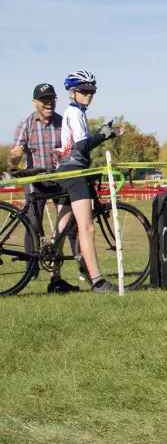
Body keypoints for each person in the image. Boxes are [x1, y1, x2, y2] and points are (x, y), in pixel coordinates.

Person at [55, 70, 124, 293]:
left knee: (61, 228)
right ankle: (97, 281)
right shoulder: (74, 113)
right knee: (86, 227)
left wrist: (105, 133)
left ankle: (54, 278)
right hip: (74, 173)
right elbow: (82, 146)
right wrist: (105, 134)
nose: (89, 94)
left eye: (92, 90)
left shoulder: (76, 112)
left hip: (65, 170)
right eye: (84, 90)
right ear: (72, 92)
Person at [9, 83, 79, 293]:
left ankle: (63, 272)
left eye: (52, 98)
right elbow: (14, 157)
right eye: (44, 99)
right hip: (35, 182)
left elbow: (73, 148)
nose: (49, 103)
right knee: (32, 225)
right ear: (35, 103)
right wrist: (14, 157)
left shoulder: (62, 122)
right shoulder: (26, 124)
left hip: (59, 180)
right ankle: (31, 269)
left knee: (67, 226)